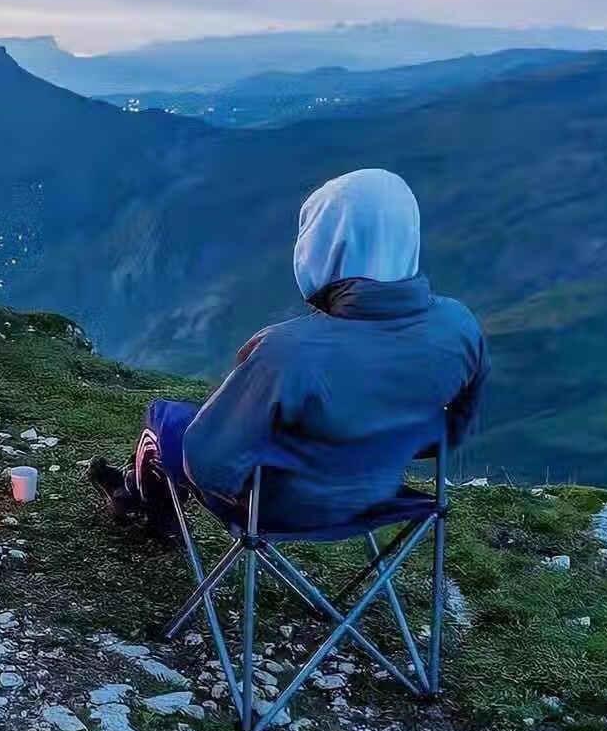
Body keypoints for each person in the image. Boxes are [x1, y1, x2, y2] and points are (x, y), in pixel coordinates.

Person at [89, 168, 490, 537]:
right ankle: (132, 491)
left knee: (165, 418)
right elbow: (453, 432)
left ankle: (144, 501)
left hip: (281, 507)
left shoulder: (286, 350)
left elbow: (208, 466)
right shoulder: (460, 327)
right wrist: (376, 449)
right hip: (380, 497)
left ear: (324, 245)